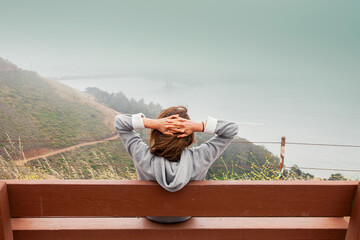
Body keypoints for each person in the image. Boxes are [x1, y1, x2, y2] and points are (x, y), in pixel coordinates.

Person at [114, 106, 239, 223]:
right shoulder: (200, 157)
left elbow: (120, 122)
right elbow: (232, 129)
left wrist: (153, 123)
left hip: (152, 215)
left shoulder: (143, 155)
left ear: (157, 133)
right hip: (185, 216)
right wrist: (198, 126)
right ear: (188, 136)